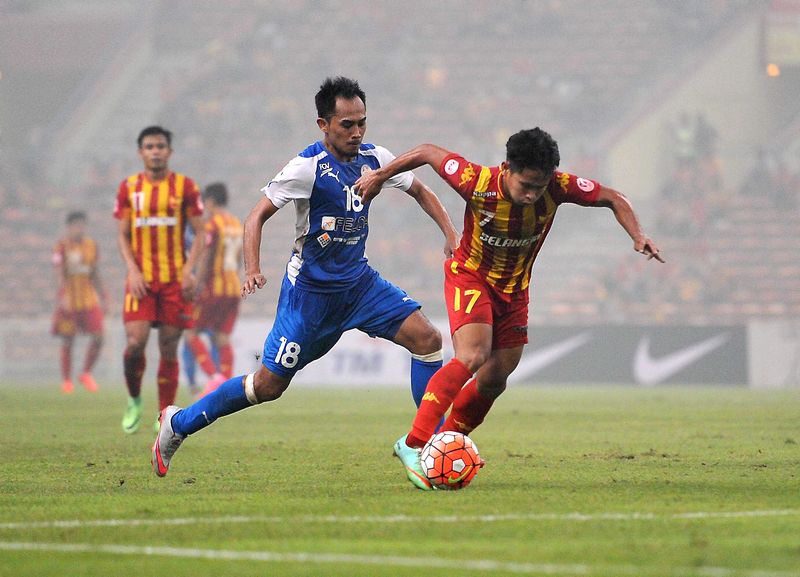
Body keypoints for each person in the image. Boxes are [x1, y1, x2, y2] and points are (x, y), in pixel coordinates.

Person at [151, 76, 459, 477]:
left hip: (360, 285)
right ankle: (178, 424)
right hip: (310, 296)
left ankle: (429, 444)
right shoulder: (307, 168)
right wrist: (252, 268)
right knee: (267, 386)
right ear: (323, 124)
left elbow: (420, 190)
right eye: (347, 124)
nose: (357, 132)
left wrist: (450, 234)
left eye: (362, 122)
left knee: (428, 340)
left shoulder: (376, 158)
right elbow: (256, 216)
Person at [354, 127, 665, 490]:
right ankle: (414, 443)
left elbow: (614, 197)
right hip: (471, 276)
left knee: (495, 377)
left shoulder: (559, 186)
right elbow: (426, 151)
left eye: (540, 186)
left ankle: (444, 446)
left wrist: (637, 235)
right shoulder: (476, 181)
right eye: (526, 185)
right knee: (473, 355)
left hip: (515, 291)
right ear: (507, 169)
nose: (532, 194)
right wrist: (379, 175)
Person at [114, 125, 205, 434]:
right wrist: (132, 269)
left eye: (160, 146)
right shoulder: (129, 188)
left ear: (169, 151)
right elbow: (122, 235)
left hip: (173, 282)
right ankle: (134, 398)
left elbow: (201, 233)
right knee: (134, 344)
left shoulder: (185, 187)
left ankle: (163, 415)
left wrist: (189, 269)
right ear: (141, 152)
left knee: (168, 348)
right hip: (141, 281)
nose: (155, 151)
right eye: (150, 147)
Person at [184, 182, 244, 396]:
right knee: (221, 337)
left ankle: (214, 378)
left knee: (190, 332)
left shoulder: (211, 224)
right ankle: (227, 384)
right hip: (233, 287)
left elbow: (207, 258)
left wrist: (197, 285)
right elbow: (238, 259)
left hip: (214, 288)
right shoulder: (236, 224)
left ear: (209, 201)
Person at [51, 211, 107, 394]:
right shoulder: (61, 247)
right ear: (69, 227)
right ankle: (67, 381)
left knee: (99, 336)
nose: (80, 228)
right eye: (76, 225)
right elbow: (58, 272)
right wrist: (63, 294)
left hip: (89, 299)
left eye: (82, 225)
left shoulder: (92, 246)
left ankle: (86, 373)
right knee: (68, 339)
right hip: (69, 300)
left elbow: (95, 272)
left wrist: (104, 296)